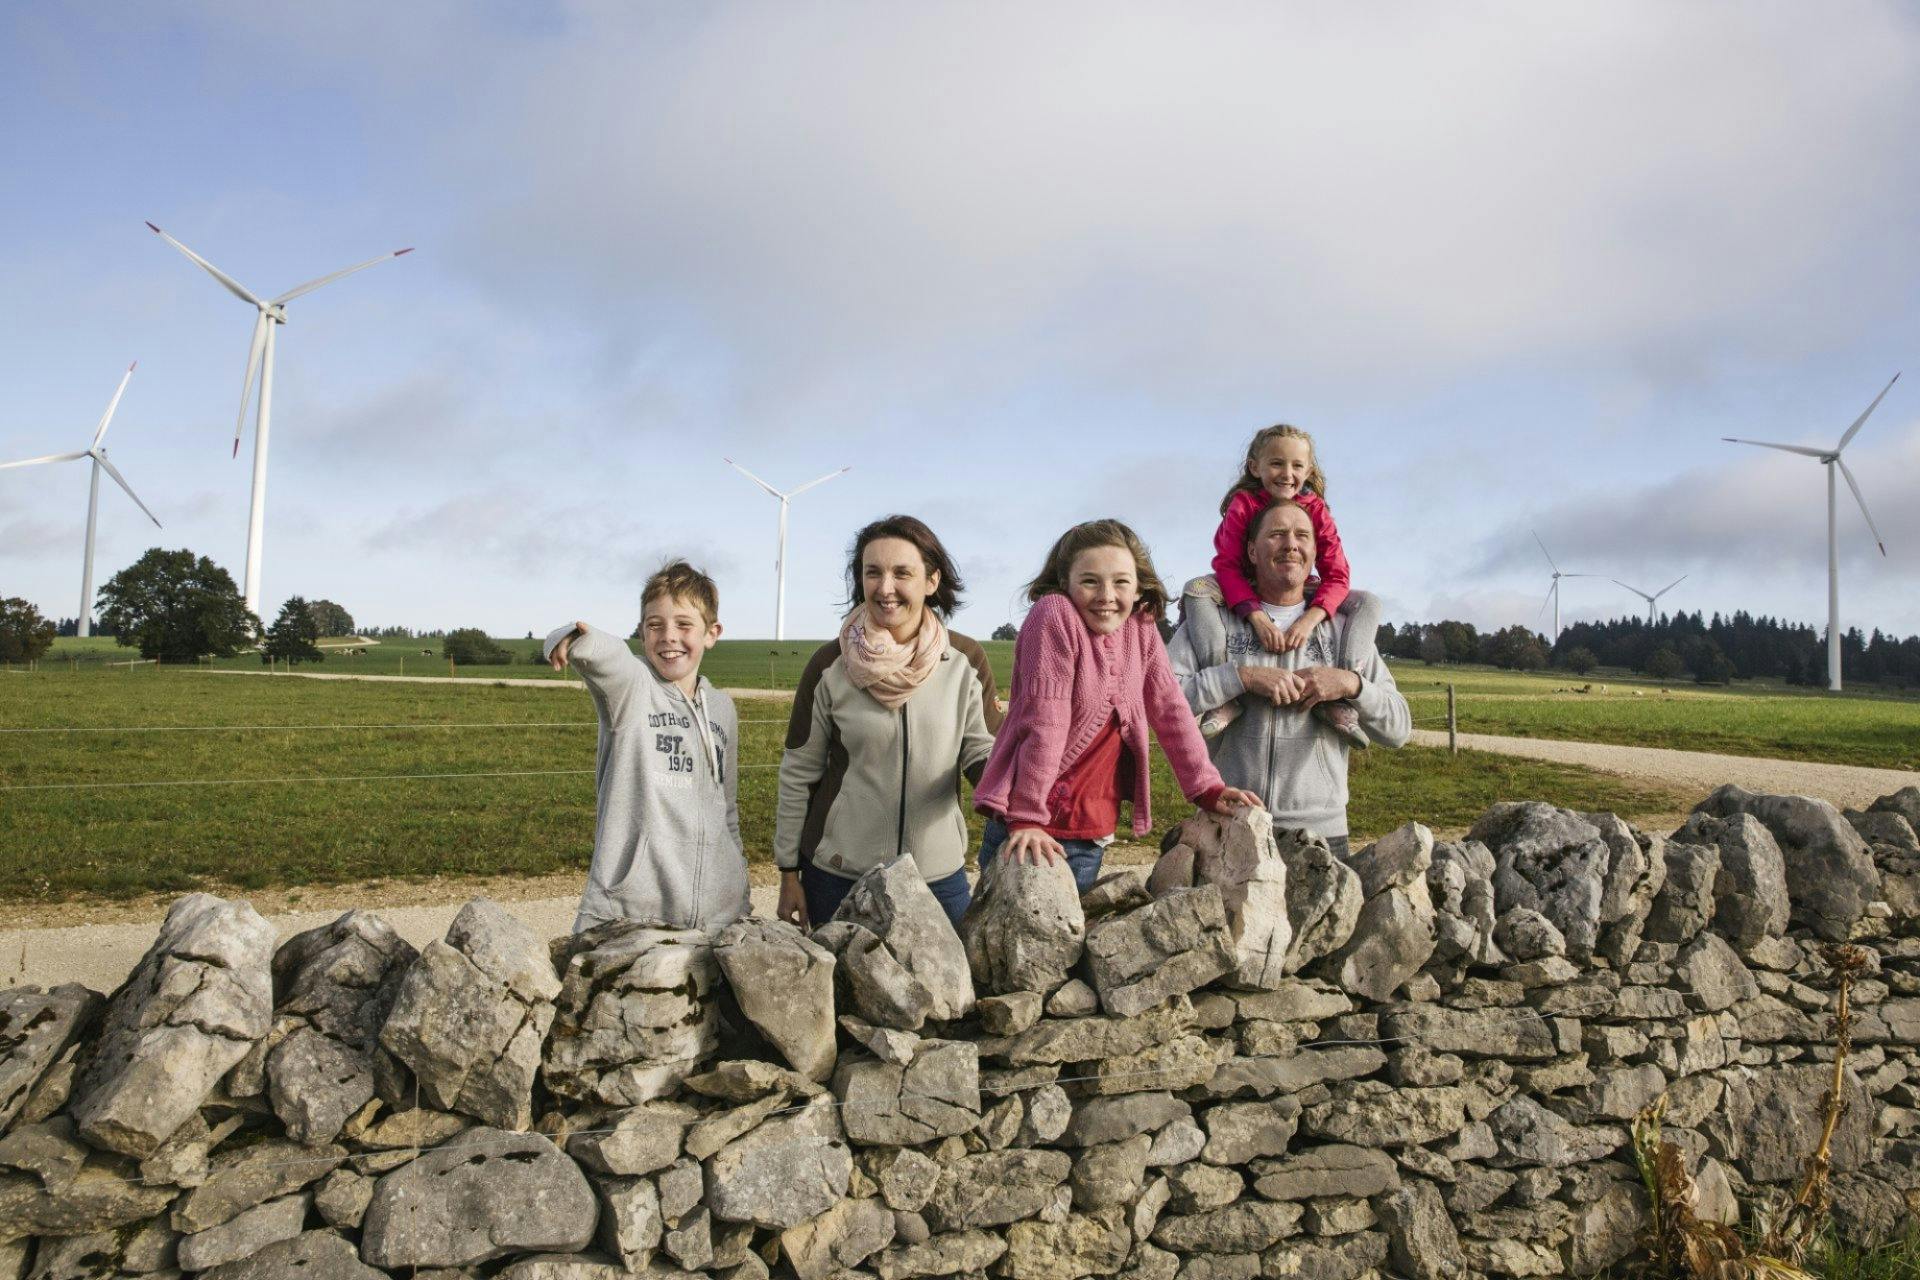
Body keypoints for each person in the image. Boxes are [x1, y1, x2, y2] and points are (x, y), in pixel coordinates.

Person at [973, 519, 1263, 892]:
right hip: (1030, 826)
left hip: (1090, 831)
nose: (1106, 595)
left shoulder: (1140, 626)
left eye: (1121, 582)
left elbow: (1170, 707)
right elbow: (1044, 720)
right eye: (1090, 581)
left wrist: (1207, 787)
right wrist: (1027, 816)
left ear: (1139, 585)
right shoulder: (1055, 615)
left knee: (1066, 940)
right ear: (1065, 582)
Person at [775, 515, 1002, 930]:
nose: (885, 588)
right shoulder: (829, 665)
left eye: (902, 573)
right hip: (839, 875)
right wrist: (789, 871)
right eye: (872, 572)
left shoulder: (966, 661)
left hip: (937, 876)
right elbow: (798, 772)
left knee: (947, 993)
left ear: (931, 581)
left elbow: (981, 751)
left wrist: (1016, 797)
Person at [1169, 500, 1410, 856]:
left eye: (1302, 535)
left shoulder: (1344, 632)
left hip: (1321, 836)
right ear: (1251, 550)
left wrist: (1349, 685)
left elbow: (1399, 729)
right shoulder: (1215, 624)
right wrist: (1241, 678)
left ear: (1315, 550)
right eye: (1277, 534)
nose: (1291, 544)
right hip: (1230, 825)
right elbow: (1162, 702)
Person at [544, 560, 749, 933]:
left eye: (684, 624)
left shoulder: (723, 709)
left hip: (719, 916)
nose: (668, 636)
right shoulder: (632, 689)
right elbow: (609, 657)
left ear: (712, 633)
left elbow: (727, 807)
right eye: (655, 625)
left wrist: (739, 888)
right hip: (632, 913)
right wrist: (575, 638)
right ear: (641, 632)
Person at [1189, 424, 1381, 747]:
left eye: (1297, 466)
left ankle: (1339, 696)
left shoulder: (1316, 510)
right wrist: (1256, 616)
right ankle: (1224, 696)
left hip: (1305, 587)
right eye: (1277, 463)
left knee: (1370, 603)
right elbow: (1227, 566)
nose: (1287, 474)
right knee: (1194, 590)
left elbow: (1337, 575)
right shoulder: (1243, 506)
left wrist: (1310, 619)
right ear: (1255, 467)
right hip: (1241, 586)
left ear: (1309, 470)